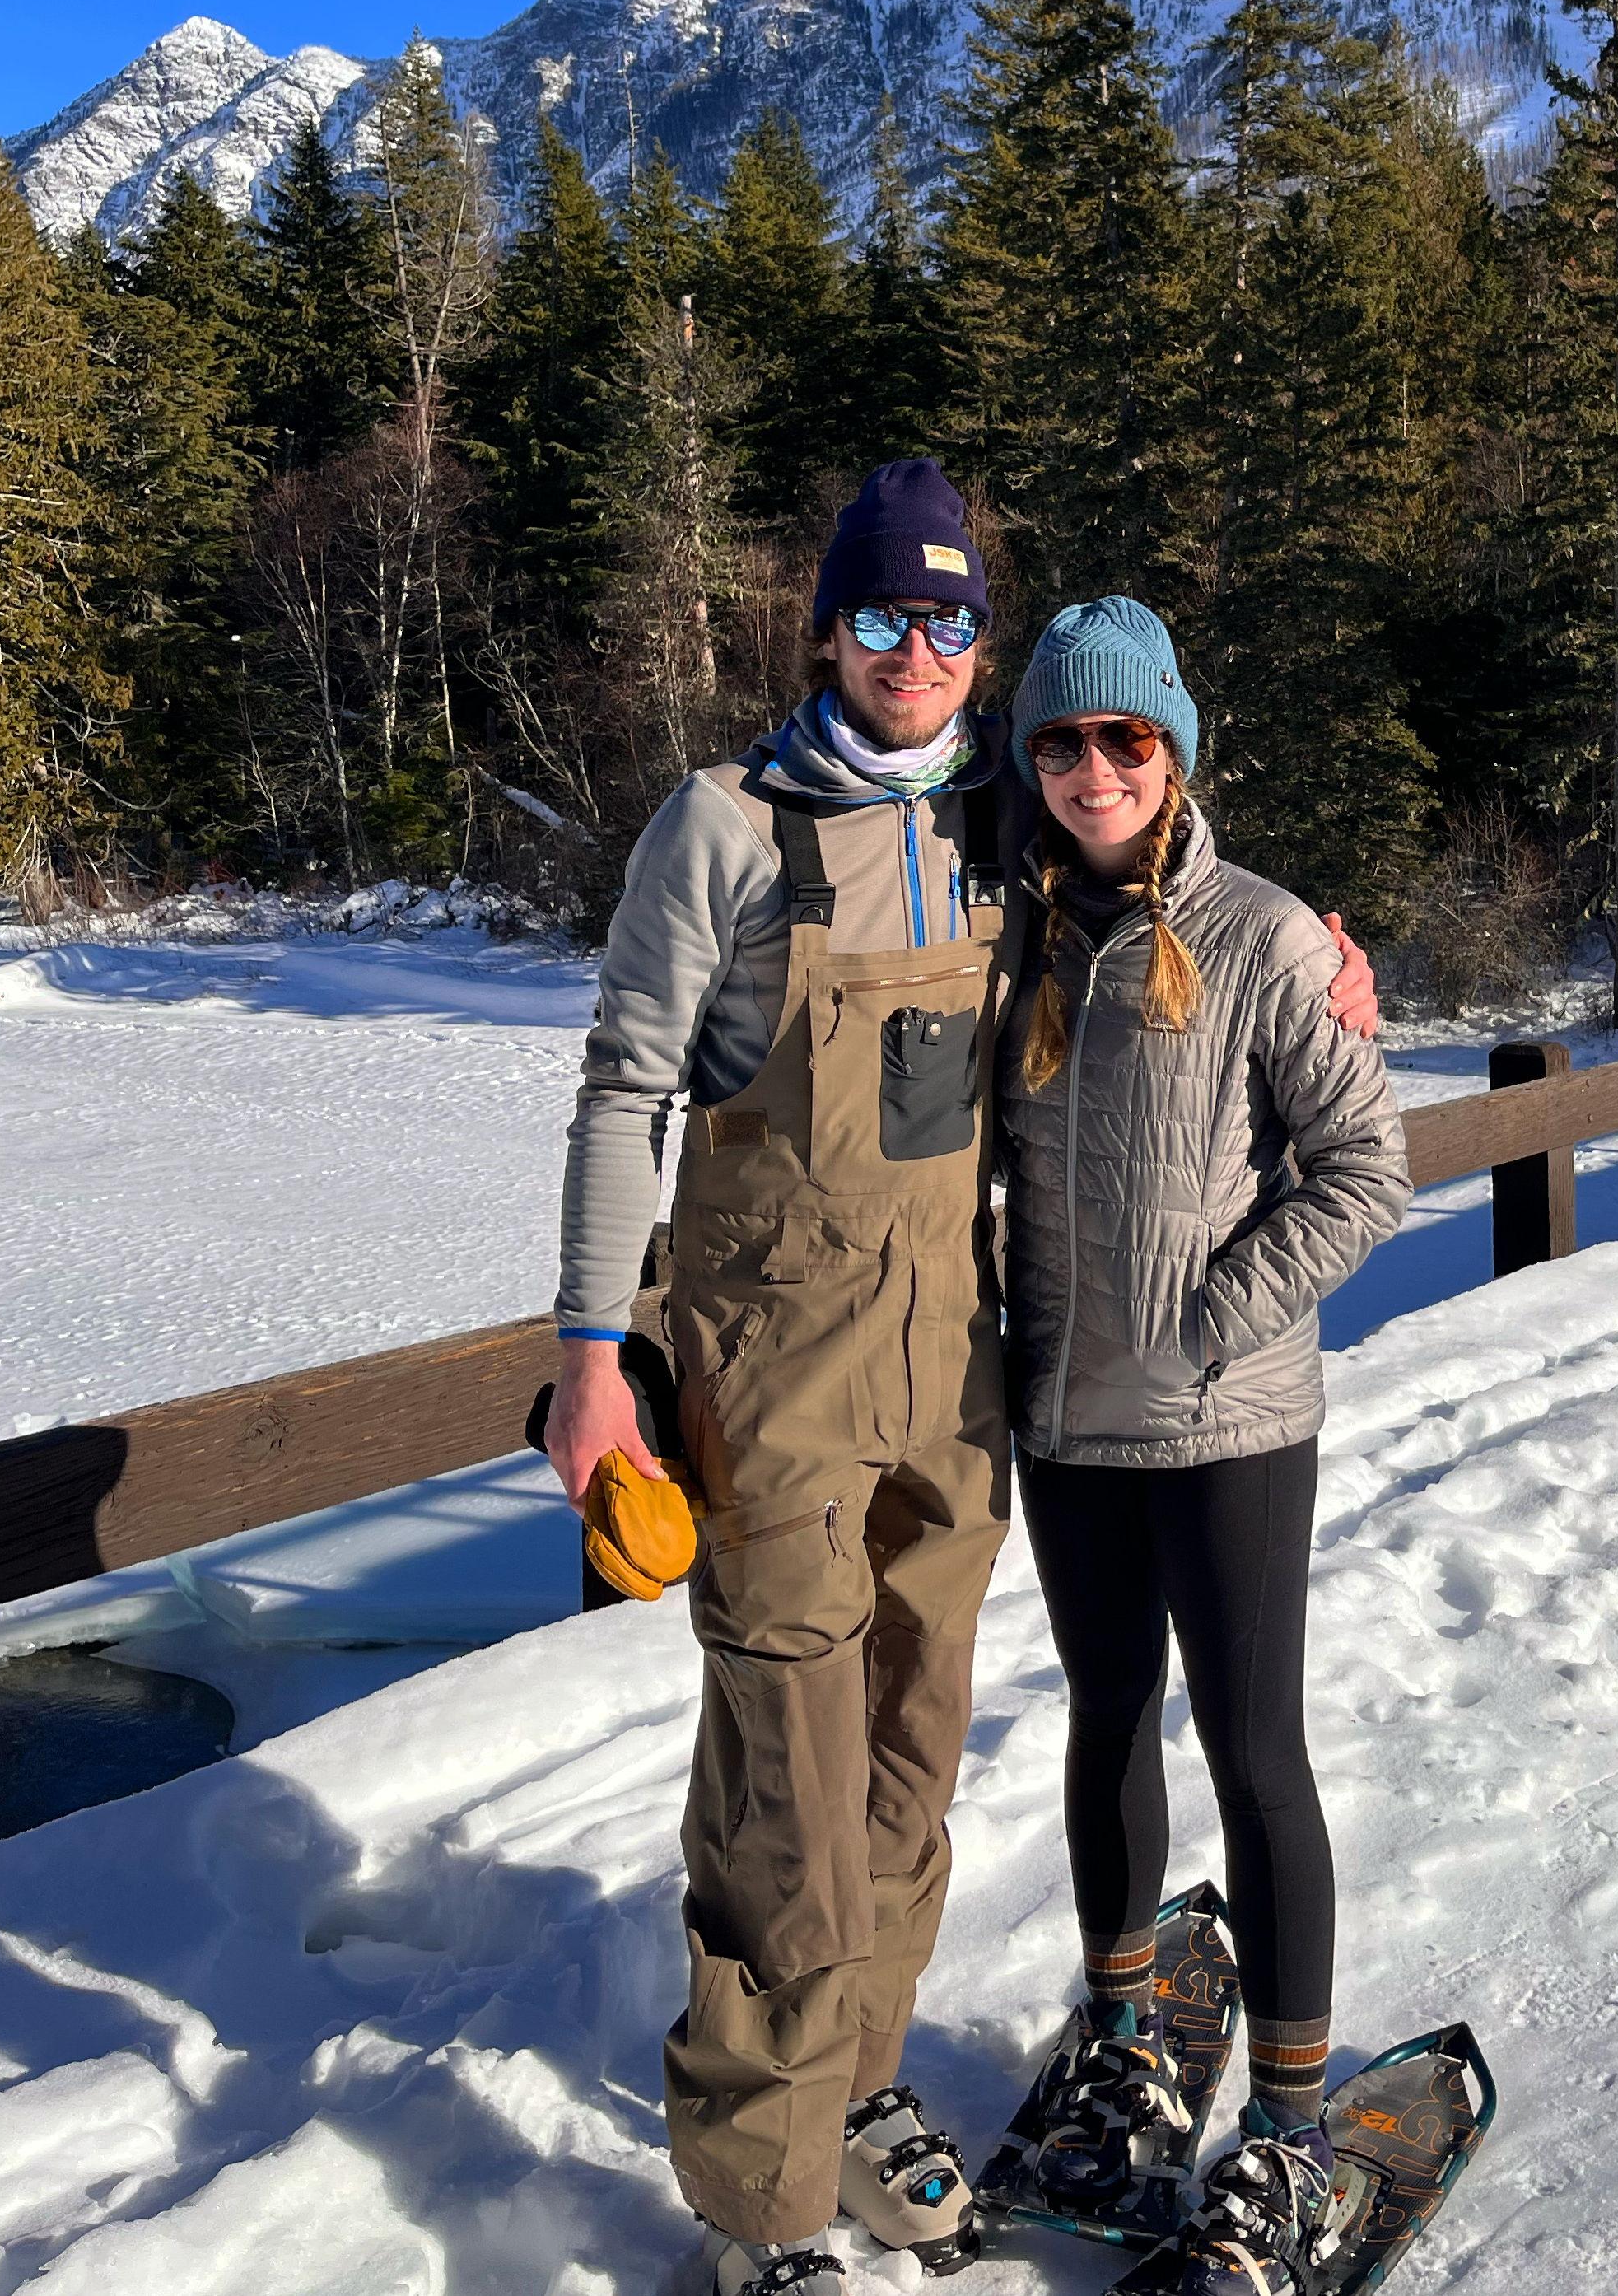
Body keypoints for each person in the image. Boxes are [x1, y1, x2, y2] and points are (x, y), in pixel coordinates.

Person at [547, 464, 1380, 2296]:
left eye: (945, 623)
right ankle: (760, 2205)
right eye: (877, 616)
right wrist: (591, 1357)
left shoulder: (1006, 823)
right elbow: (623, 1095)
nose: (911, 652)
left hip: (960, 1374)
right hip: (767, 1375)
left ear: (974, 651)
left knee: (913, 1761)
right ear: (823, 629)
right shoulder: (726, 829)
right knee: (786, 1777)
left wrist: (1317, 953)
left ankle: (849, 2091)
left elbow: (1155, 852)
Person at [990, 597, 1413, 2295]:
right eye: (1065, 742)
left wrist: (1216, 1320)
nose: (1096, 770)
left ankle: (1289, 2137)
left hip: (1224, 1426)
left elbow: (1366, 1168)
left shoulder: (1261, 938)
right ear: (1030, 761)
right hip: (1066, 1427)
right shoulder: (1005, 938)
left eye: (1128, 741)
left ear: (1174, 756)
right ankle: (1123, 2043)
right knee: (1103, 1722)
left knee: (1254, 1753)